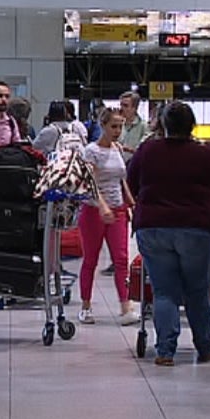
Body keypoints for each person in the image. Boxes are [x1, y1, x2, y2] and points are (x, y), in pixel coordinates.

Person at [127, 101, 210, 366]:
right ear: (192, 126)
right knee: (198, 291)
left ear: (163, 125)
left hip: (153, 227)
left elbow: (131, 183)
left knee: (164, 292)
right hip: (196, 227)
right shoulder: (206, 155)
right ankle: (205, 347)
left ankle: (165, 351)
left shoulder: (146, 151)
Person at [77, 107, 139, 326]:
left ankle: (125, 305)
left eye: (120, 126)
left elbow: (121, 180)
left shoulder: (118, 149)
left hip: (118, 210)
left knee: (121, 260)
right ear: (102, 126)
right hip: (94, 211)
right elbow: (90, 183)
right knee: (90, 260)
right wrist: (102, 206)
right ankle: (85, 305)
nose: (117, 130)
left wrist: (131, 201)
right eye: (113, 126)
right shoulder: (91, 151)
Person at [118, 91, 147, 162]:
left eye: (125, 105)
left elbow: (142, 150)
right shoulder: (117, 125)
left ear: (135, 108)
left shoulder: (144, 126)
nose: (121, 109)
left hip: (135, 166)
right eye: (121, 105)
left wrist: (126, 149)